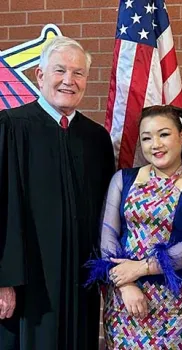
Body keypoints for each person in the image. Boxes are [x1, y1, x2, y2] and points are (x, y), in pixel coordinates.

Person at [0, 36, 115, 350]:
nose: (69, 80)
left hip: (82, 280)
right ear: (40, 75)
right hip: (29, 280)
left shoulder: (96, 139)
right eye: (60, 71)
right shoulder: (11, 127)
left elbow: (107, 213)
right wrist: (4, 280)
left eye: (78, 73)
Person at [89, 105, 182, 349]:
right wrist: (125, 283)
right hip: (125, 301)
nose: (155, 144)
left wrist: (140, 268)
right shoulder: (123, 179)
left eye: (164, 134)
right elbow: (107, 233)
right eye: (147, 138)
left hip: (175, 306)